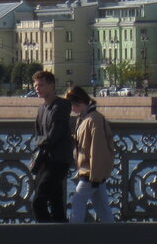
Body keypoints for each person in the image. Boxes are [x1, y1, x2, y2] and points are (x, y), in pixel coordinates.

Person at [66, 86, 116, 224]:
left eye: (71, 105)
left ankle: (72, 236)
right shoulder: (85, 117)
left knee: (77, 201)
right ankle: (116, 237)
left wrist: (95, 176)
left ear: (77, 102)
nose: (70, 109)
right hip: (93, 172)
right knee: (103, 209)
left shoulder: (93, 119)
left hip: (91, 173)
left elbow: (97, 148)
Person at [31, 70, 74, 222]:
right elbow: (38, 135)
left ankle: (46, 234)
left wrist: (41, 141)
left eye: (41, 85)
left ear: (51, 85)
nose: (37, 88)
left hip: (58, 161)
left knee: (38, 201)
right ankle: (60, 234)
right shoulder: (42, 108)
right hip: (45, 161)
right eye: (35, 85)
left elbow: (53, 135)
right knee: (56, 202)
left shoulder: (61, 106)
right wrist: (41, 144)